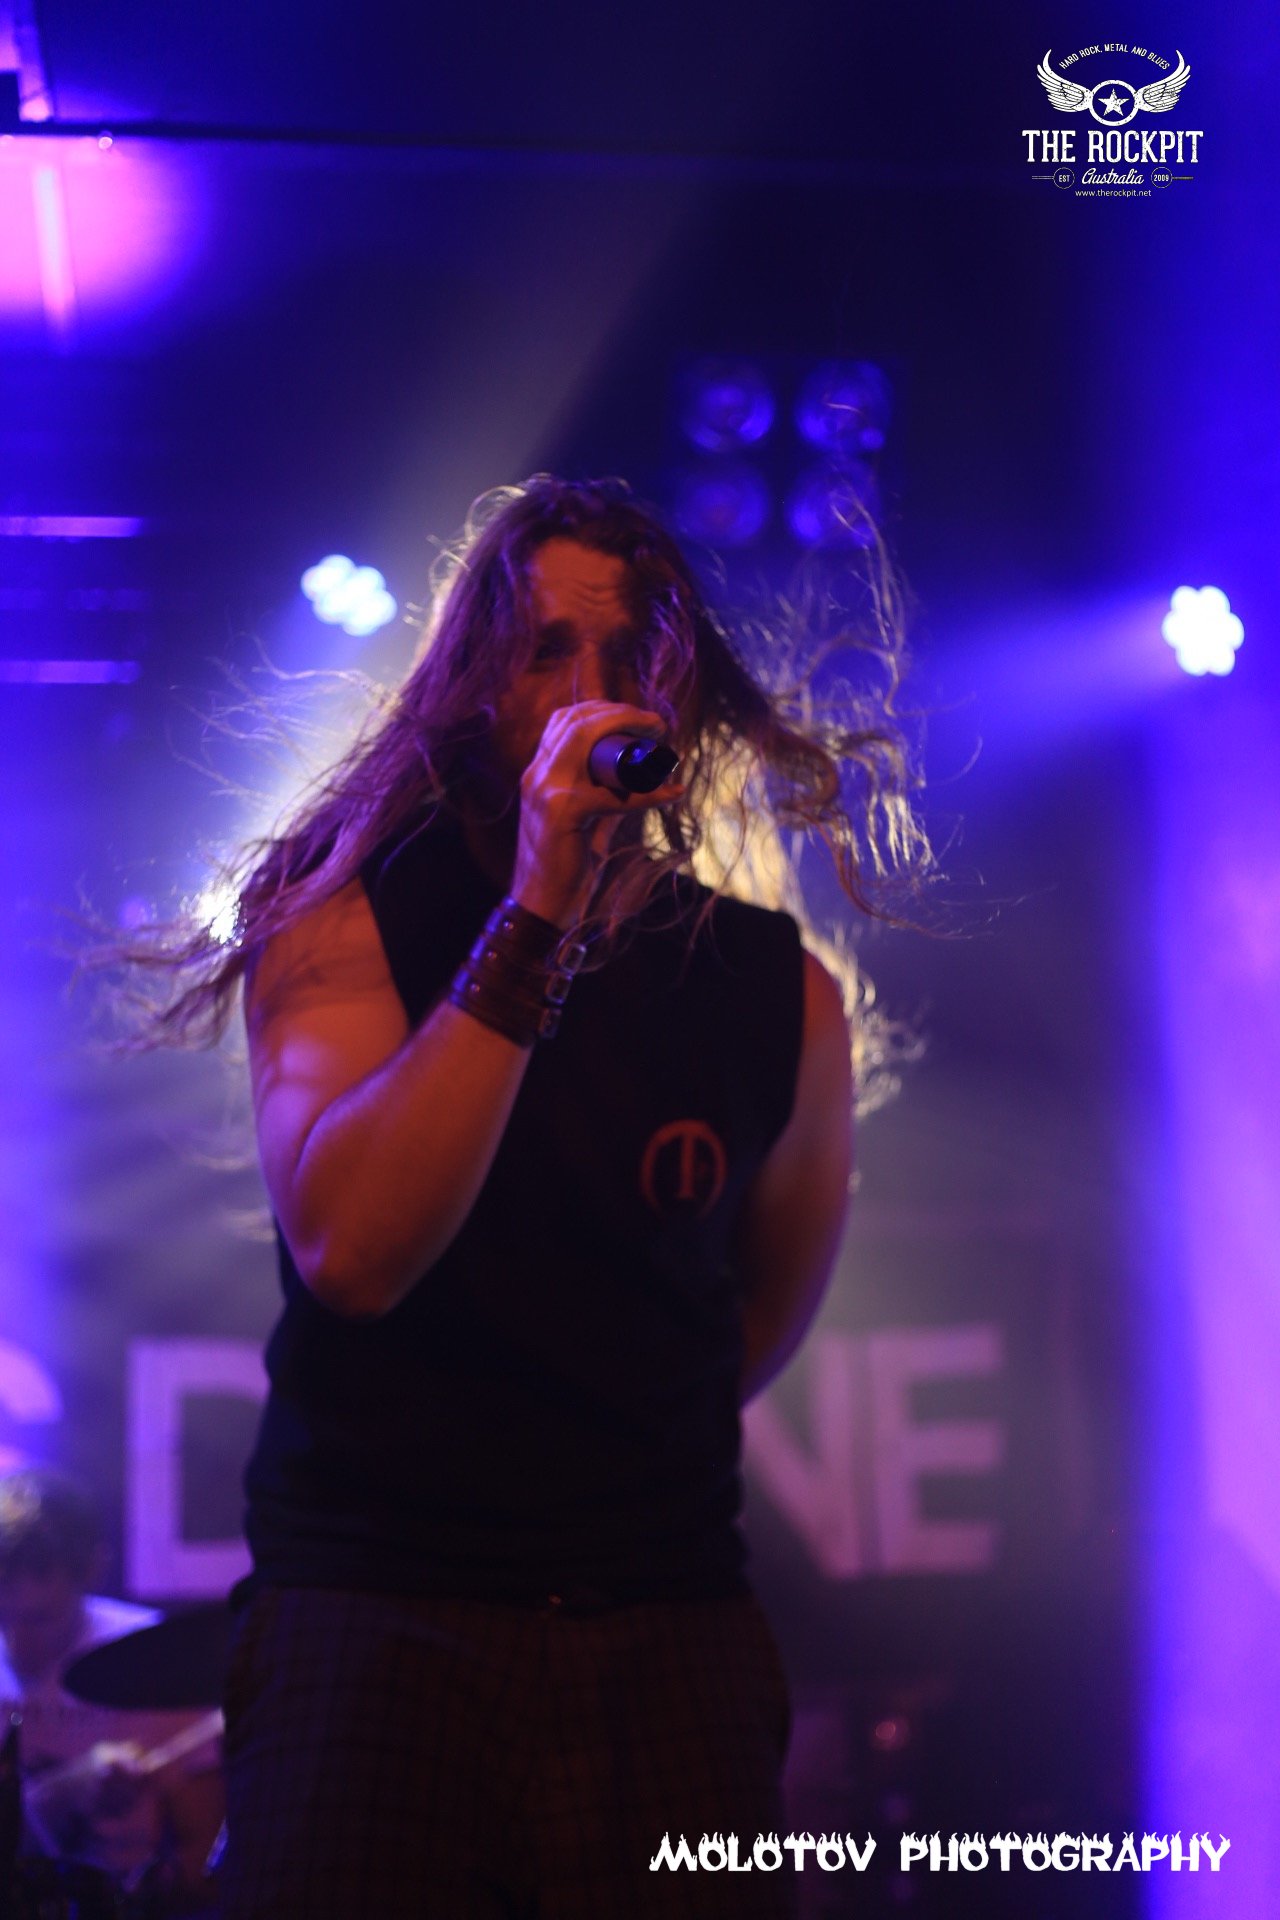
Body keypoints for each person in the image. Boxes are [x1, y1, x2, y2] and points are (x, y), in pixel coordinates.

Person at [134, 476, 929, 1917]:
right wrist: (536, 911)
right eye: (548, 649)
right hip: (377, 1617)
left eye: (632, 655)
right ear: (475, 686)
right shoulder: (338, 916)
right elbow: (354, 1249)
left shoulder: (781, 994)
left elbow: (751, 1322)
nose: (591, 690)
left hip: (665, 1628)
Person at [0, 1468, 224, 1914]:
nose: (18, 1643)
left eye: (40, 1619)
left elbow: (203, 1863)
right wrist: (61, 1794)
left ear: (94, 1570)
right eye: (3, 1616)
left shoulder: (157, 1661)